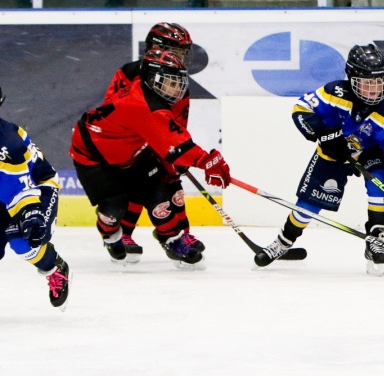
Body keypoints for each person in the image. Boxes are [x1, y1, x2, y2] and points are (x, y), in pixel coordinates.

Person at [256, 44, 384, 276]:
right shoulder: (335, 92)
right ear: (351, 78)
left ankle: (375, 240)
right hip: (334, 150)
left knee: (381, 184)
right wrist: (324, 134)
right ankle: (284, 241)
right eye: (368, 84)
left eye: (379, 83)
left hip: (370, 153)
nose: (374, 90)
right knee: (309, 204)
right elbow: (300, 109)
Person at [69, 49, 231, 269]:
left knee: (158, 194)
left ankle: (172, 240)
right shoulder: (143, 106)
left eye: (178, 83)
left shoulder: (152, 96)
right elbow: (178, 146)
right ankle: (111, 237)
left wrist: (202, 160)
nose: (177, 89)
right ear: (153, 80)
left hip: (133, 150)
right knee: (114, 208)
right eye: (171, 83)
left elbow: (173, 137)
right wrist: (208, 161)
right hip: (94, 155)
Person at [102, 22, 203, 263]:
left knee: (172, 183)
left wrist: (177, 149)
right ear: (158, 47)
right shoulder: (129, 72)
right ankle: (124, 234)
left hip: (161, 142)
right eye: (179, 51)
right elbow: (112, 108)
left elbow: (178, 120)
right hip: (131, 144)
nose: (182, 58)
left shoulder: (177, 79)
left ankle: (180, 234)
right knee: (137, 187)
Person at [0, 88, 70, 307]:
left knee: (24, 241)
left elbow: (17, 189)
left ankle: (54, 266)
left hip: (36, 189)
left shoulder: (7, 143)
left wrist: (31, 215)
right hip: (6, 192)